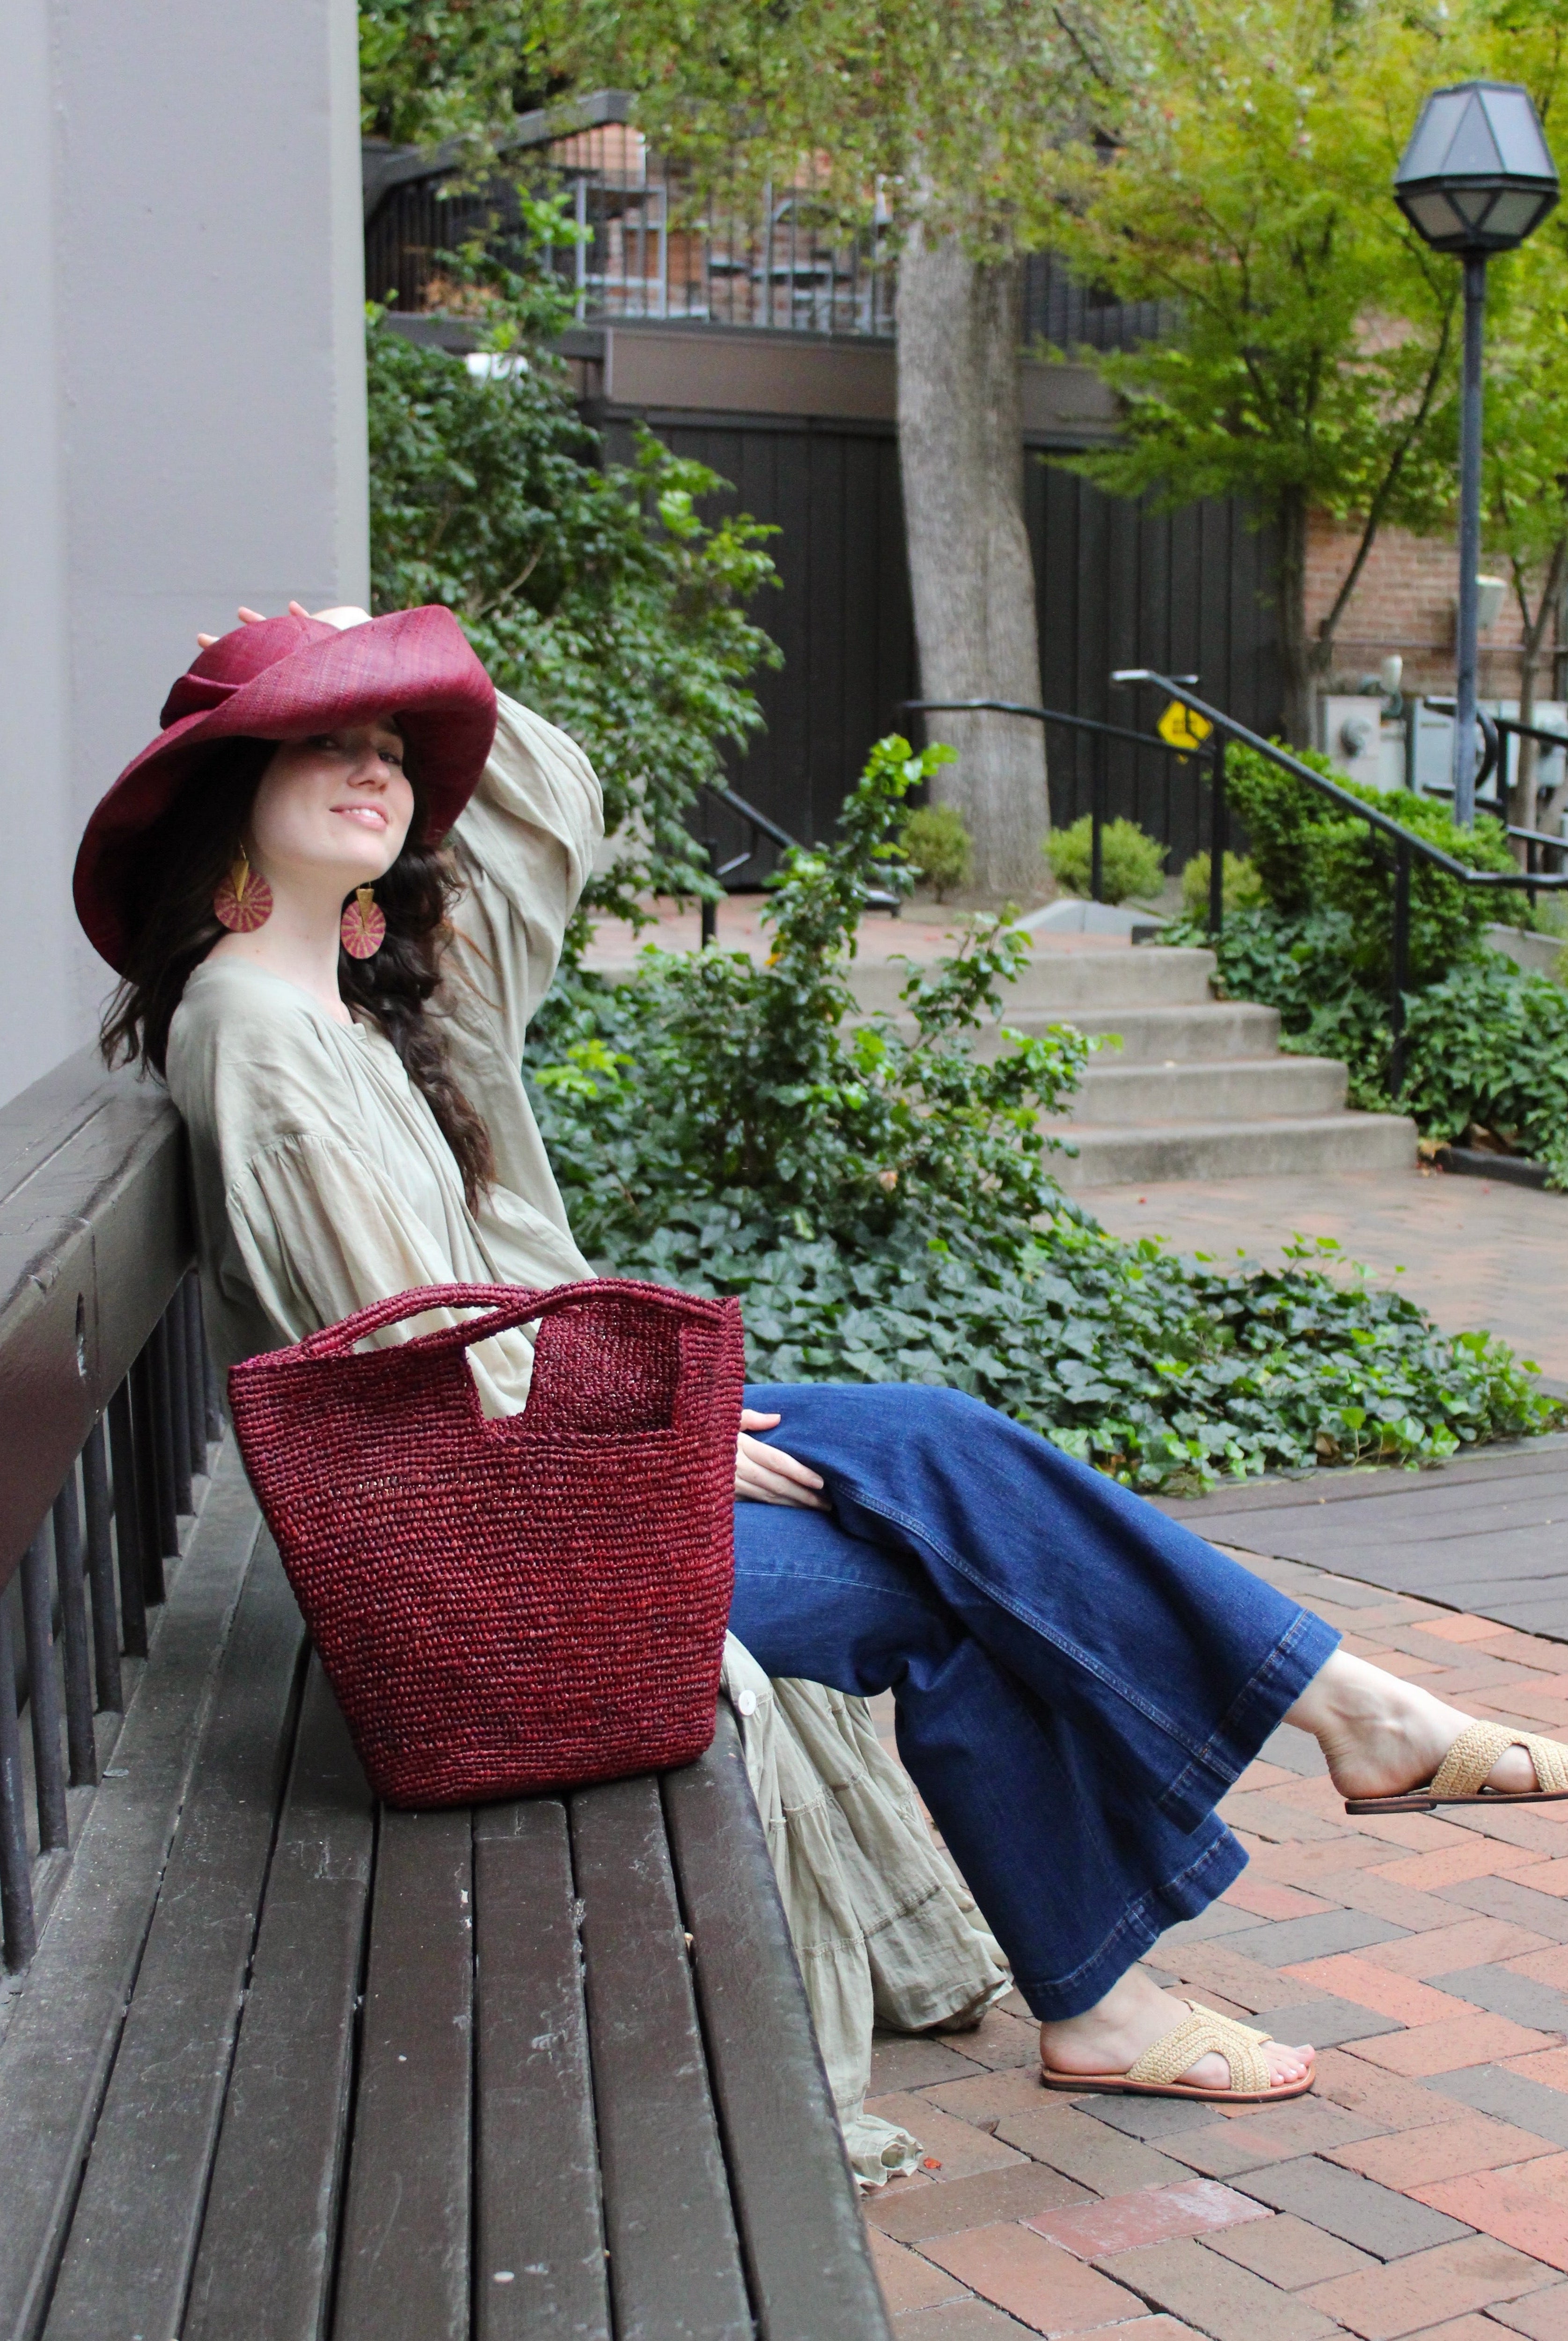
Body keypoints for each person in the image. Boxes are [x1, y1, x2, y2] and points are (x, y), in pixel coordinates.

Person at [75, 602, 1568, 2128]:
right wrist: (654, 1440)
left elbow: (539, 807)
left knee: (931, 1442)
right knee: (952, 1582)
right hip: (495, 1561)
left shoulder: (343, 1000)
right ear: (229, 784)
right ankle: (1242, 1842)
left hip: (532, 1482)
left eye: (393, 745)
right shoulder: (257, 1028)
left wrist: (374, 633)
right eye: (326, 736)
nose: (375, 768)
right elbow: (405, 1356)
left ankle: (1301, 1772)